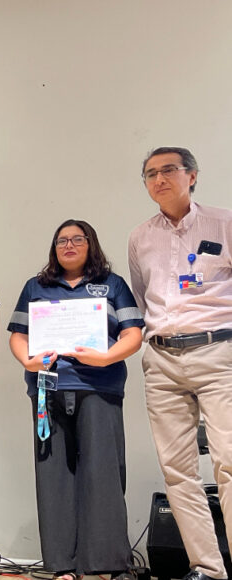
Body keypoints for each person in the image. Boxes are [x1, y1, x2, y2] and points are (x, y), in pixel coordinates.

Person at [7, 219, 143, 578]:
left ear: (90, 244)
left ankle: (107, 563)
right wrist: (27, 360)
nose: (68, 245)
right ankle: (62, 565)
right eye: (61, 240)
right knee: (54, 477)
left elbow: (133, 333)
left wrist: (106, 357)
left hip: (99, 388)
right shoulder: (36, 286)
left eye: (77, 239)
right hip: (48, 390)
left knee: (103, 475)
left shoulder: (112, 284)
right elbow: (18, 335)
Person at [128, 147, 232, 580]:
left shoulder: (224, 224)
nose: (159, 179)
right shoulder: (140, 237)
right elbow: (141, 299)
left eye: (168, 170)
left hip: (218, 353)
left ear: (192, 175)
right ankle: (207, 567)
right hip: (162, 360)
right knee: (177, 471)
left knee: (229, 462)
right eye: (150, 173)